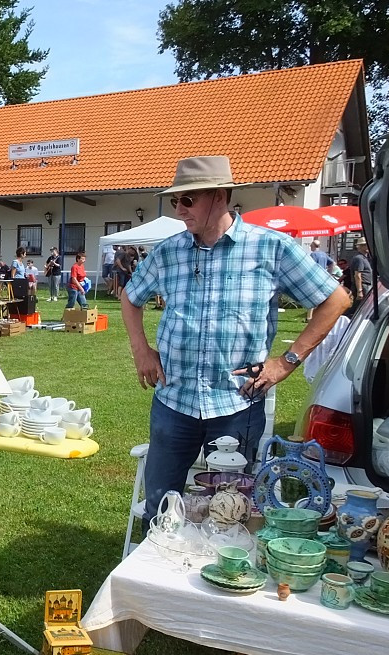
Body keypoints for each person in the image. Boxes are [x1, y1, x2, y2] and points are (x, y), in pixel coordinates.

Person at [121, 155, 349, 529]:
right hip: (173, 399)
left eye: (188, 200)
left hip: (236, 404)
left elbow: (335, 300)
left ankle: (213, 578)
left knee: (229, 513)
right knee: (160, 507)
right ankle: (151, 580)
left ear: (220, 196)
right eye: (175, 201)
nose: (179, 210)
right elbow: (131, 297)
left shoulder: (270, 247)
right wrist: (141, 351)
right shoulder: (169, 251)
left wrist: (286, 361)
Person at [350, 237, 372, 303]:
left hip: (366, 285)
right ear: (360, 246)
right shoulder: (359, 258)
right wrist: (360, 291)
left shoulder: (365, 258)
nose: (368, 246)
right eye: (365, 245)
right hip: (363, 286)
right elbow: (357, 275)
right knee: (361, 306)